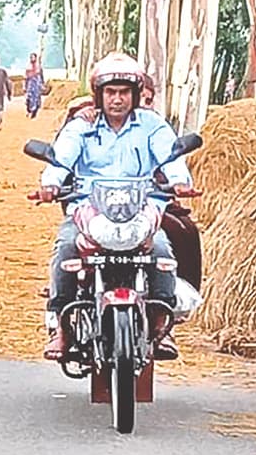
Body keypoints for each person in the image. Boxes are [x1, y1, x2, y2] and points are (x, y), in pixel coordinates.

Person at [37, 52, 195, 361]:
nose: (117, 99)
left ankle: (163, 325)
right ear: (99, 95)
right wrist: (51, 183)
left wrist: (179, 181)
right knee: (66, 248)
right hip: (89, 210)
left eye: (124, 92)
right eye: (111, 92)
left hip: (140, 211)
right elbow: (62, 155)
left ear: (135, 95)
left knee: (162, 250)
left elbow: (170, 155)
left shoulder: (152, 124)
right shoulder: (82, 126)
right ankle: (61, 328)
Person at [25, 53, 44, 119]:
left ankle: (34, 113)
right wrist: (25, 86)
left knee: (36, 99)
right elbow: (26, 77)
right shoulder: (28, 66)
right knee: (29, 98)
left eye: (33, 57)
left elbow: (41, 76)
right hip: (30, 84)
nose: (32, 59)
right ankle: (29, 110)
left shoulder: (39, 67)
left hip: (37, 84)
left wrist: (42, 85)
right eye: (31, 57)